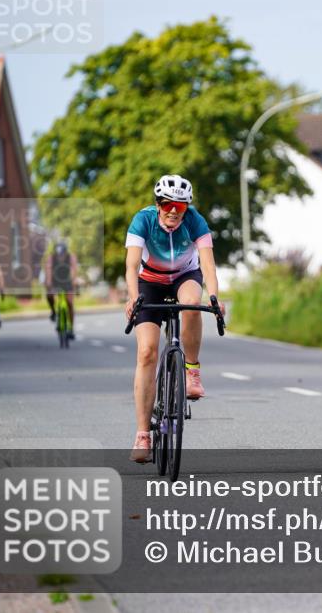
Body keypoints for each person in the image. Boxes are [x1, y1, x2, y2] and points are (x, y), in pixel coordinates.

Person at [124, 175, 222, 462]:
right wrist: (132, 296)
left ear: (186, 207)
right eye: (167, 205)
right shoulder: (142, 220)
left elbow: (207, 264)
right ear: (157, 204)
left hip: (184, 276)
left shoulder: (196, 221)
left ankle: (192, 371)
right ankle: (143, 434)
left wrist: (214, 297)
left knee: (192, 302)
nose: (172, 212)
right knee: (146, 352)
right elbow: (131, 266)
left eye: (179, 207)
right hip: (149, 282)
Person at [44, 240, 78, 339]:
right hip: (55, 281)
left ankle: (71, 328)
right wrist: (49, 282)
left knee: (70, 303)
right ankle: (53, 311)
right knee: (49, 295)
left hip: (67, 281)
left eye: (62, 254)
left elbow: (74, 269)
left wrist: (74, 280)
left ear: (65, 252)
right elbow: (49, 269)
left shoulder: (71, 257)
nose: (61, 257)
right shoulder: (51, 258)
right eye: (59, 255)